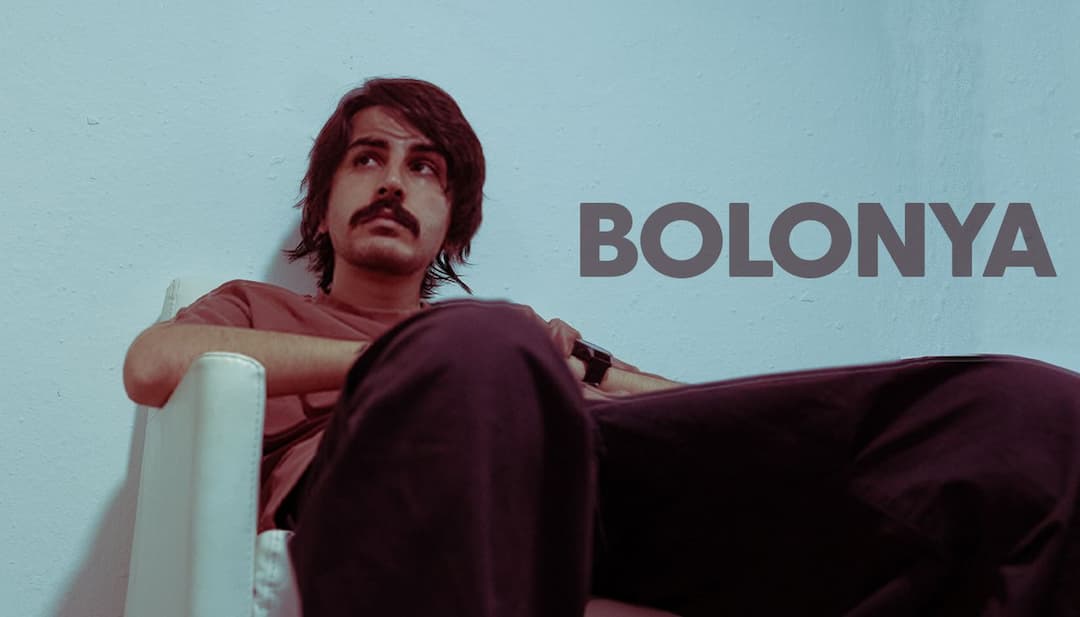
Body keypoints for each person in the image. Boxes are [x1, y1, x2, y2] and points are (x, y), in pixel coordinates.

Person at [123, 77, 1080, 617]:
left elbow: (724, 435)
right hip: (394, 483)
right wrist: (413, 357)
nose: (393, 183)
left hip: (575, 483)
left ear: (453, 220)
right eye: (367, 159)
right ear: (324, 204)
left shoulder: (516, 342)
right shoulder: (258, 308)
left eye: (425, 169)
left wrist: (581, 365)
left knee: (1020, 417)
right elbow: (152, 363)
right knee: (481, 348)